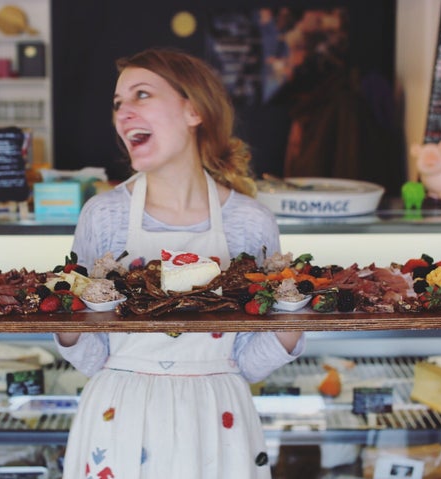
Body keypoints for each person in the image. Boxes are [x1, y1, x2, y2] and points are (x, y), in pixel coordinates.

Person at [55, 47, 305, 479]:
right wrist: (62, 314)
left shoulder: (250, 222)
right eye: (118, 103)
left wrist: (294, 317)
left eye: (142, 95)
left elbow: (248, 361)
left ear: (193, 110)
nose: (123, 112)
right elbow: (94, 356)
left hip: (217, 419)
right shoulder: (104, 216)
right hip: (120, 416)